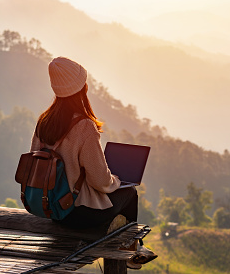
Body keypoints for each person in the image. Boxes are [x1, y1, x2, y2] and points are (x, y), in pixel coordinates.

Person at [30, 56, 156, 268]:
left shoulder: (44, 120)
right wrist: (115, 180)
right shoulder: (84, 126)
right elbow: (100, 181)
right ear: (82, 88)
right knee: (130, 194)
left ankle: (131, 248)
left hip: (51, 209)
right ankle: (130, 252)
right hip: (77, 213)